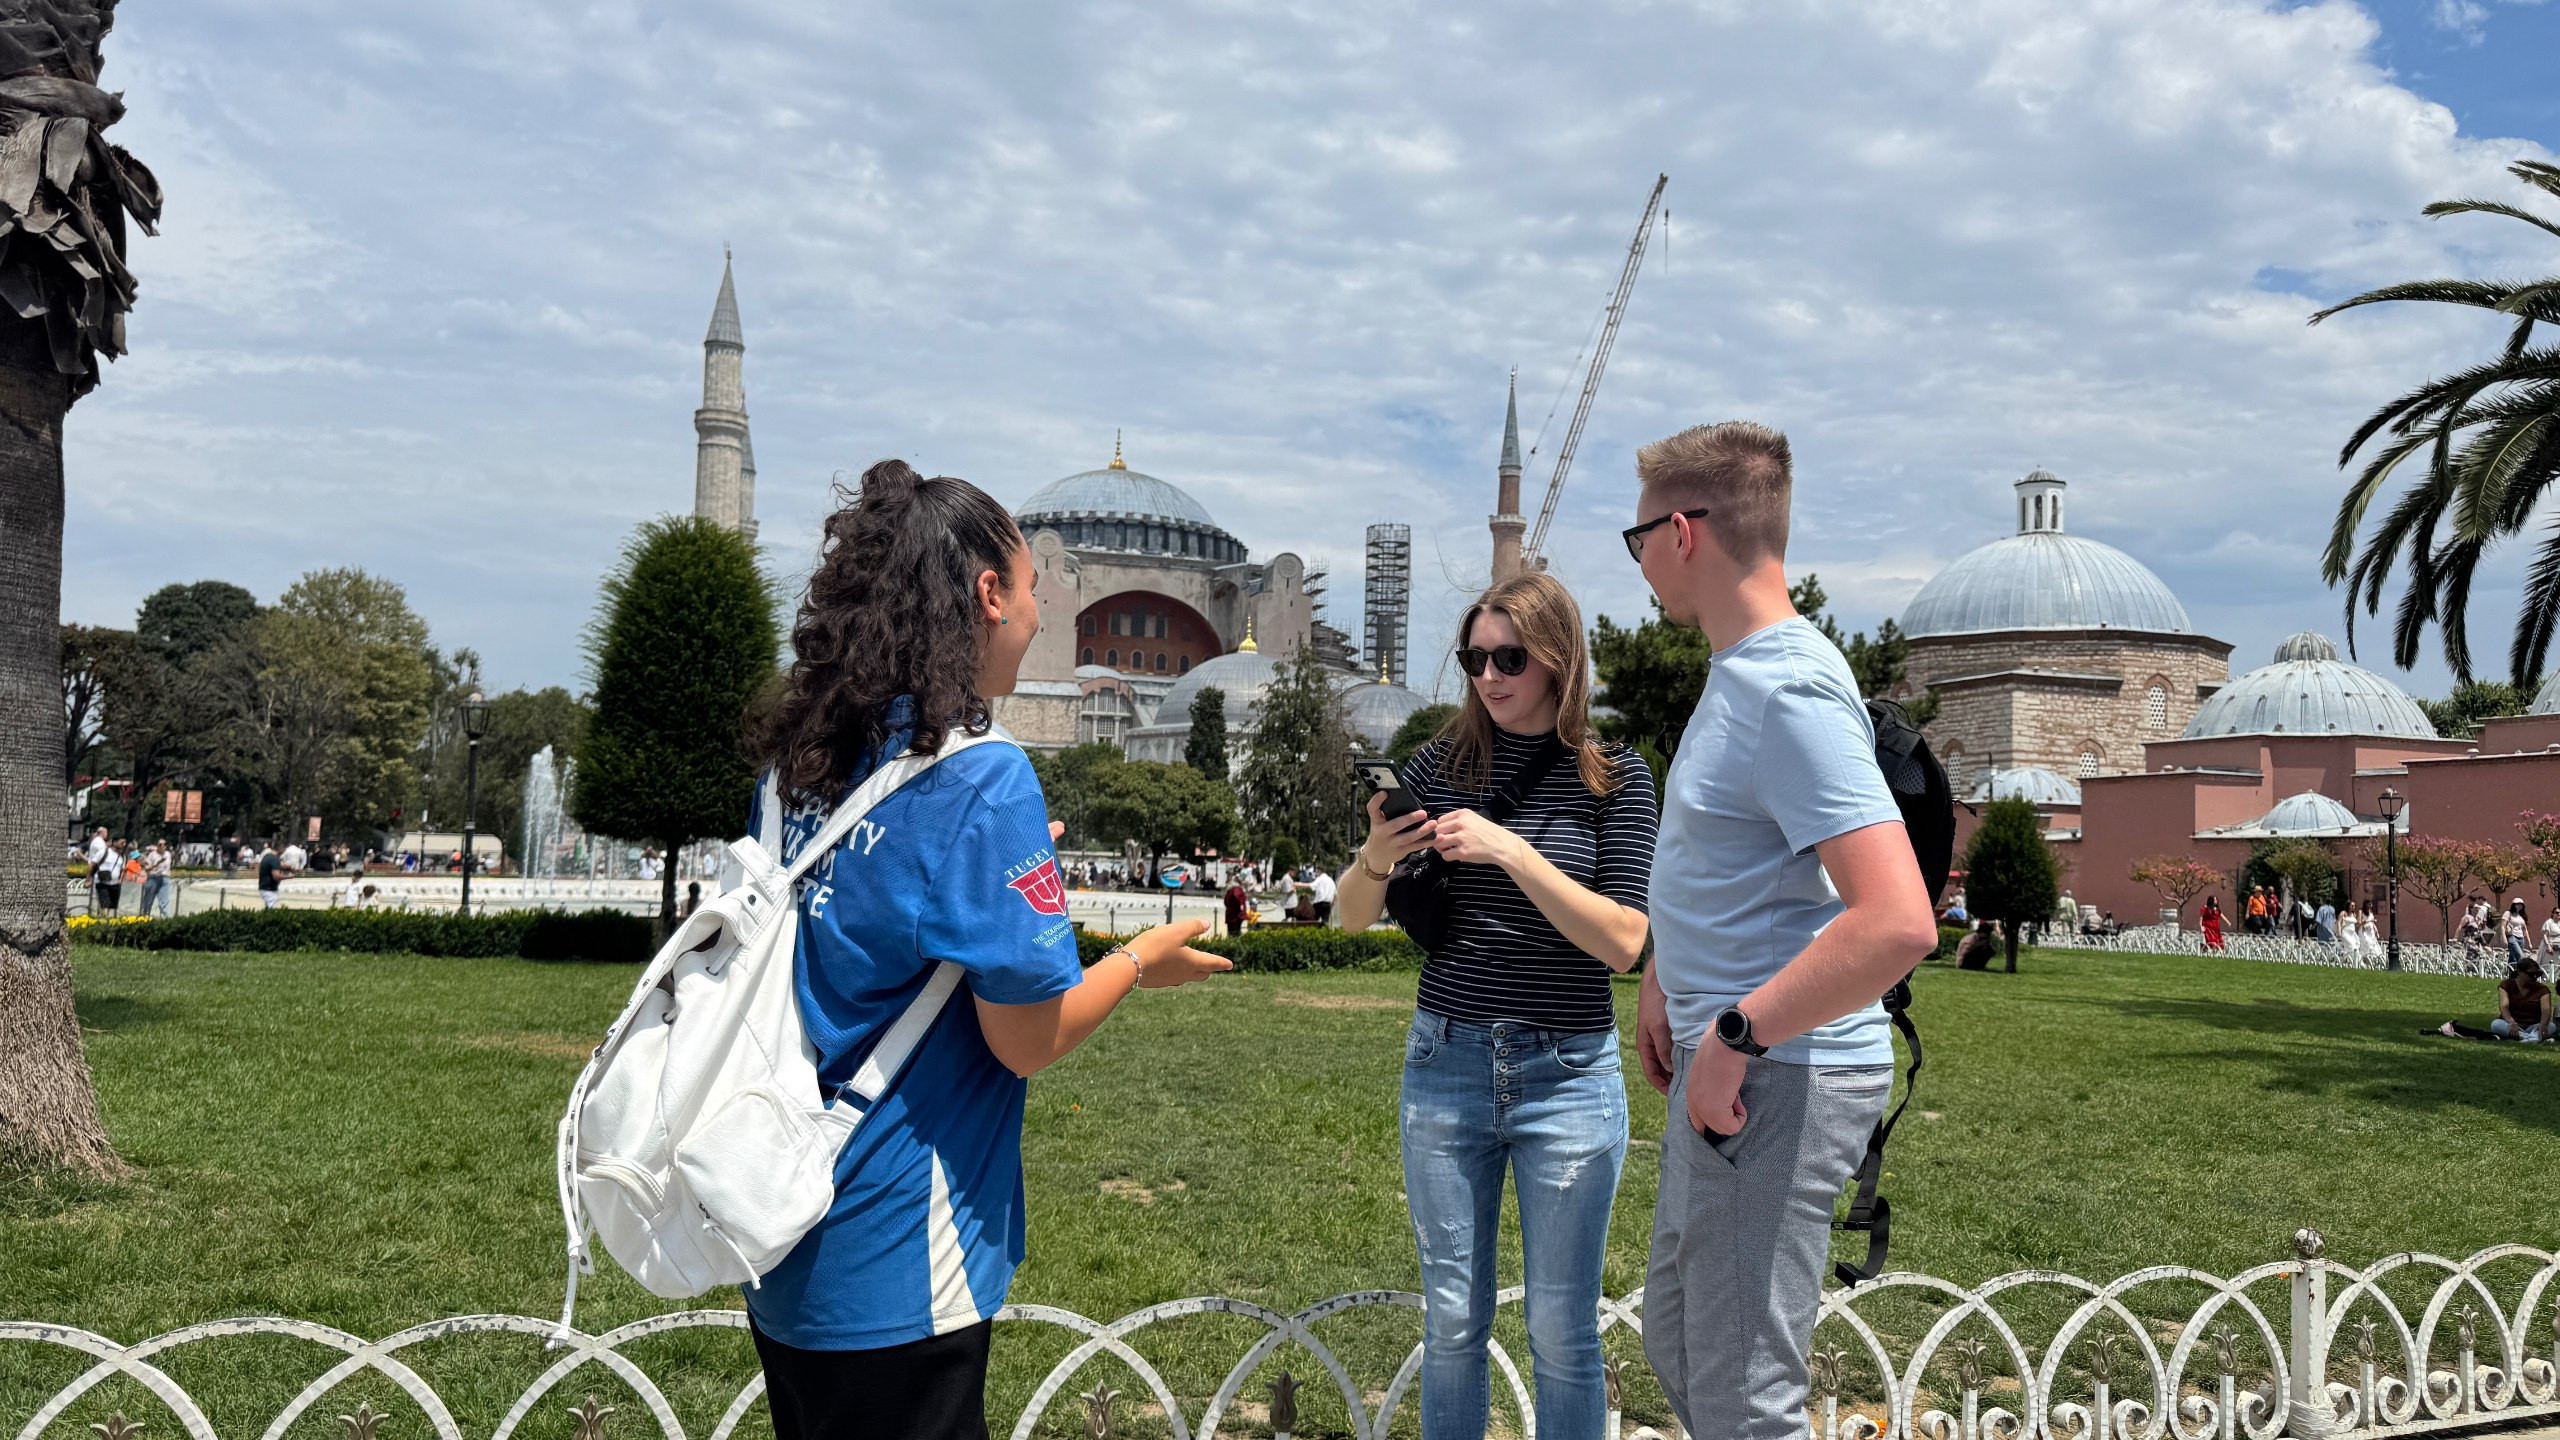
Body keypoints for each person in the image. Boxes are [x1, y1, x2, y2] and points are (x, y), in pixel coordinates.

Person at [739, 459, 1229, 1440]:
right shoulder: (980, 777)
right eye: (1035, 589)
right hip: (898, 1250)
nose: (1043, 617)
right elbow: (1025, 1039)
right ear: (989, 593)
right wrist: (1139, 961)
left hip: (777, 1224)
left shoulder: (799, 764)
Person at [1618, 422, 1939, 1440]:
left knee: (1743, 1401)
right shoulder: (1744, 674)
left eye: (1636, 538)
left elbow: (1897, 920)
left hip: (1774, 1073)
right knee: (1682, 1344)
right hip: (1738, 1063)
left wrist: (1736, 1034)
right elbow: (1742, 865)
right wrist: (1667, 974)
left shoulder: (1787, 688)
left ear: (1681, 533)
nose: (1637, 561)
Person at [1331, 569, 1658, 1440]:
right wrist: (1376, 855)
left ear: (1559, 657)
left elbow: (1625, 941)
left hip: (1568, 1073)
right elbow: (1349, 917)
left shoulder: (1615, 776)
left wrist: (1510, 849)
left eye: (1509, 657)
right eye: (1473, 658)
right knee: (1450, 1323)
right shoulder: (1442, 764)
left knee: (1562, 1328)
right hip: (1448, 1061)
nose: (1488, 676)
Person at [2437, 957, 2554, 1042]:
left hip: (2533, 1025)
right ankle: (2531, 1039)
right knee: (2496, 1024)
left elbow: (2546, 1011)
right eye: (2531, 974)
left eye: (2537, 975)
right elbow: (2504, 1007)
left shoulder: (2542, 990)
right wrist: (2512, 1023)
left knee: (2551, 1026)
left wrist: (2543, 1025)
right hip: (2512, 1023)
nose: (2534, 978)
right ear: (2519, 972)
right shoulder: (2506, 985)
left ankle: (2528, 1037)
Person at [141, 839, 171, 919]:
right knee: (148, 900)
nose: (162, 846)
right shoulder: (152, 855)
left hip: (164, 878)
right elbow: (146, 868)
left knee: (164, 901)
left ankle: (166, 919)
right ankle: (145, 917)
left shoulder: (168, 854)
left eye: (164, 844)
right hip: (153, 878)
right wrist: (157, 864)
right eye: (160, 844)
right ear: (157, 845)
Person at [256, 840, 288, 909]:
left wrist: (291, 867)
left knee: (268, 908)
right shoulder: (274, 859)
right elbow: (276, 876)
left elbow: (281, 864)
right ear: (281, 848)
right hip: (269, 890)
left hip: (264, 887)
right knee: (272, 909)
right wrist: (290, 876)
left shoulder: (267, 856)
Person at [2506, 899, 2532, 965]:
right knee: (2520, 955)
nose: (2519, 906)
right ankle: (2520, 970)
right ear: (2513, 905)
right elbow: (2503, 926)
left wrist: (2529, 942)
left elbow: (2525, 930)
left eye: (2521, 905)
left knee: (2513, 956)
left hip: (2521, 937)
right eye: (2517, 904)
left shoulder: (2521, 916)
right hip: (2512, 936)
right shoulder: (2508, 913)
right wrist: (2504, 938)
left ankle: (2510, 969)